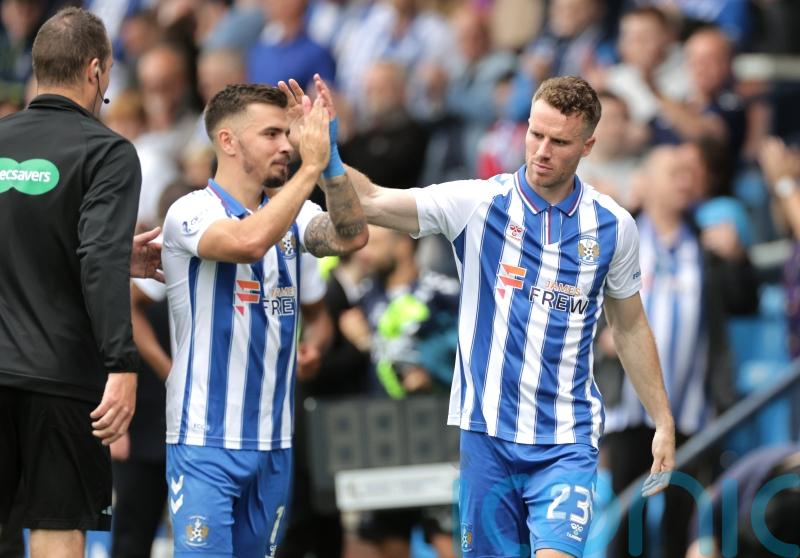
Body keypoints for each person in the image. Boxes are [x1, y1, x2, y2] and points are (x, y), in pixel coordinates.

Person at [284, 73, 676, 557]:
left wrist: (662, 418)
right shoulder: (477, 203)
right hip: (486, 440)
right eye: (535, 134)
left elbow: (630, 324)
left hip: (565, 442)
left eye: (559, 141)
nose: (542, 151)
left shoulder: (614, 226)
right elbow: (369, 202)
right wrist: (329, 154)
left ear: (588, 145)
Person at [161, 83, 368, 556]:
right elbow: (246, 243)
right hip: (205, 442)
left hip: (275, 442)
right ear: (229, 142)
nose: (287, 145)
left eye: (289, 133)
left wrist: (331, 156)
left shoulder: (297, 219)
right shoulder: (191, 212)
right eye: (271, 133)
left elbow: (353, 237)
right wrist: (311, 167)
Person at [0, 7, 161, 558]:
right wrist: (122, 363)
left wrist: (115, 256)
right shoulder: (107, 151)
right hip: (61, 378)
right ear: (96, 71)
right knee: (55, 529)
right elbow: (94, 255)